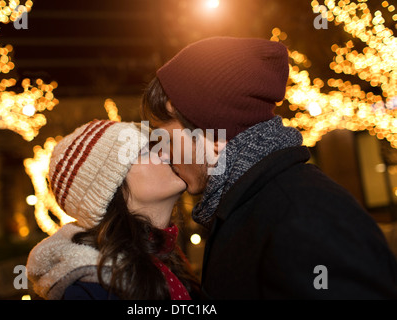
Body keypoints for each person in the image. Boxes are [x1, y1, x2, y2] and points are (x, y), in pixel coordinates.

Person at [140, 36, 397, 299]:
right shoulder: (256, 205)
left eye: (166, 138)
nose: (163, 153)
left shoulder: (302, 217)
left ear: (214, 135)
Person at [26, 120, 200, 300]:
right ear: (108, 188)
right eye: (146, 151)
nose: (166, 153)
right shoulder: (88, 289)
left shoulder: (168, 260)